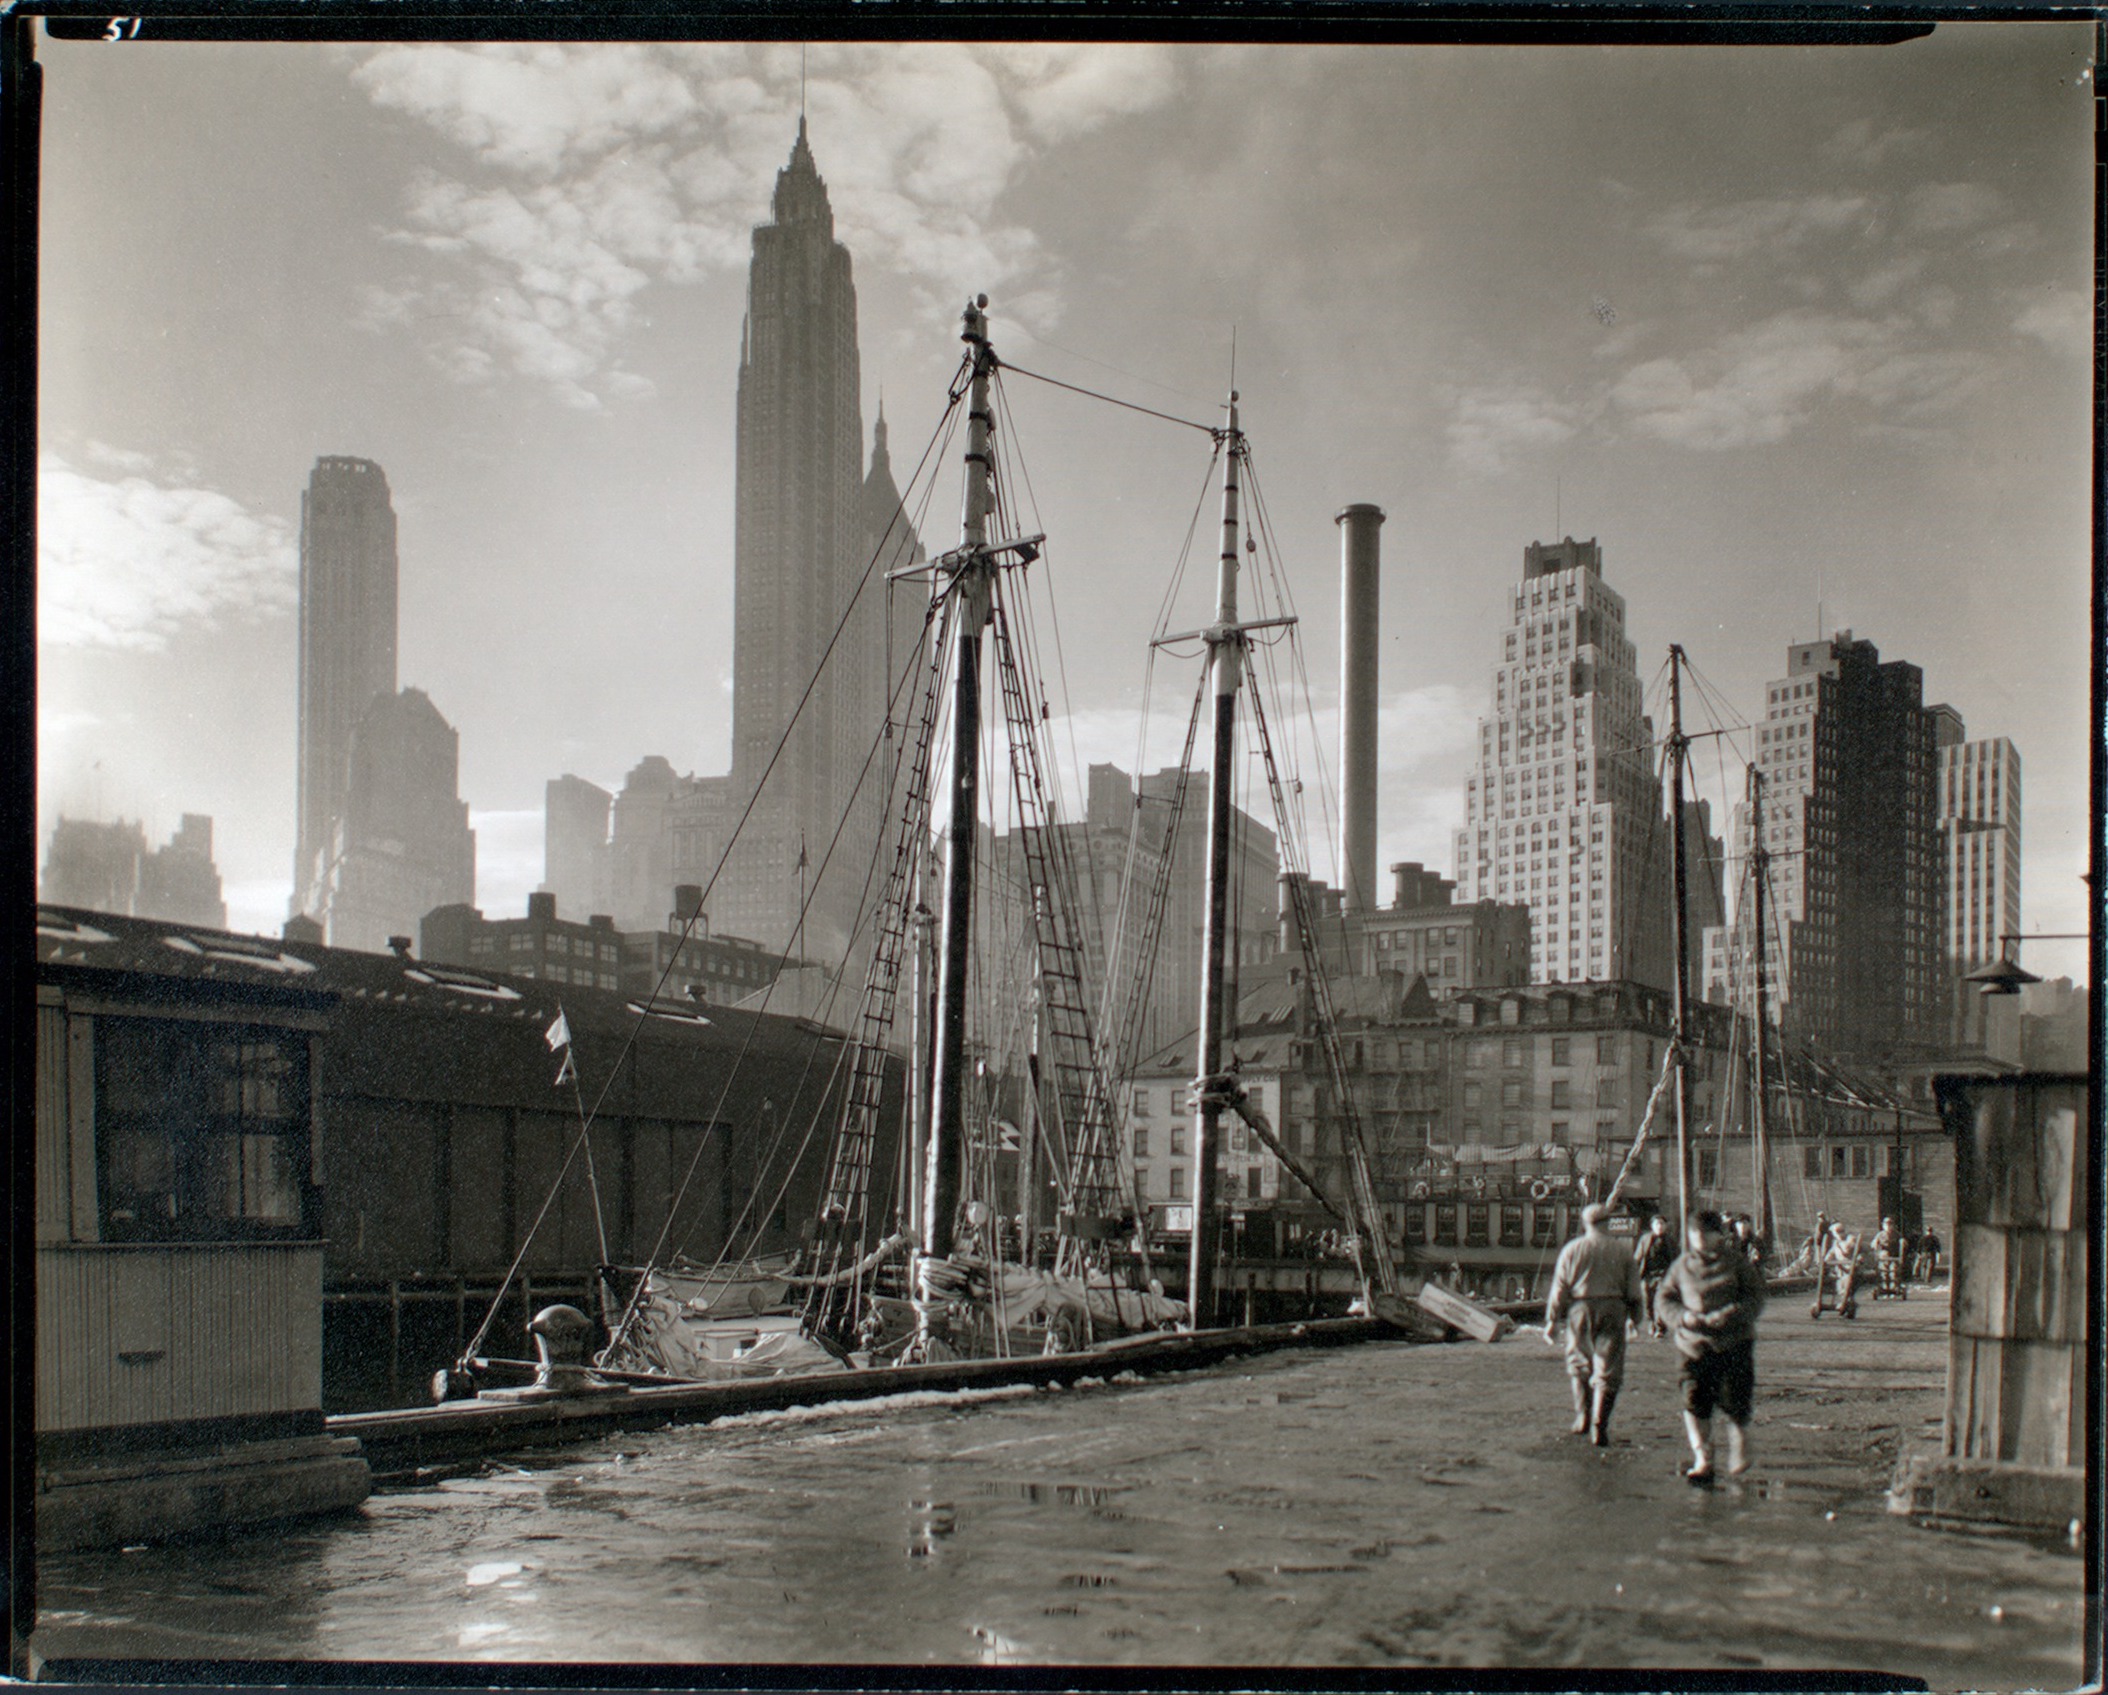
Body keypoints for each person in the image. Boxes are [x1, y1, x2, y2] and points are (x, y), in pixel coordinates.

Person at [1655, 1208, 1769, 1484]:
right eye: (1695, 1233)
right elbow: (1664, 1299)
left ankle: (1740, 1444)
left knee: (1735, 1400)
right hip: (1693, 1344)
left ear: (1719, 1235)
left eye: (1707, 1233)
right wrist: (1684, 1317)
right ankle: (1703, 1458)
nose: (1700, 1239)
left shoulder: (1737, 1263)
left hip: (1733, 1342)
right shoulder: (1681, 1266)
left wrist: (1731, 1314)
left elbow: (1755, 1297)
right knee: (1694, 1402)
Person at [1544, 1201, 1645, 1446]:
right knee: (1608, 1367)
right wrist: (1636, 1317)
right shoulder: (1622, 1251)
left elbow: (1559, 1288)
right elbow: (1634, 1290)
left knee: (1579, 1361)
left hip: (1580, 1308)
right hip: (1613, 1308)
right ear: (1608, 1223)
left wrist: (1552, 1320)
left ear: (1585, 1223)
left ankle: (1583, 1417)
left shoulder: (1572, 1249)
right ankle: (1600, 1424)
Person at [1636, 1214, 1677, 1337]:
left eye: (1662, 1224)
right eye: (1656, 1224)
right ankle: (1652, 1323)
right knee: (1648, 1302)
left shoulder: (1670, 1241)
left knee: (1660, 1301)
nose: (1659, 1226)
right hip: (1648, 1275)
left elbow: (1676, 1258)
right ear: (1652, 1226)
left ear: (1665, 1226)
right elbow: (1638, 1257)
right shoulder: (1645, 1239)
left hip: (1664, 1275)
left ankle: (1660, 1327)